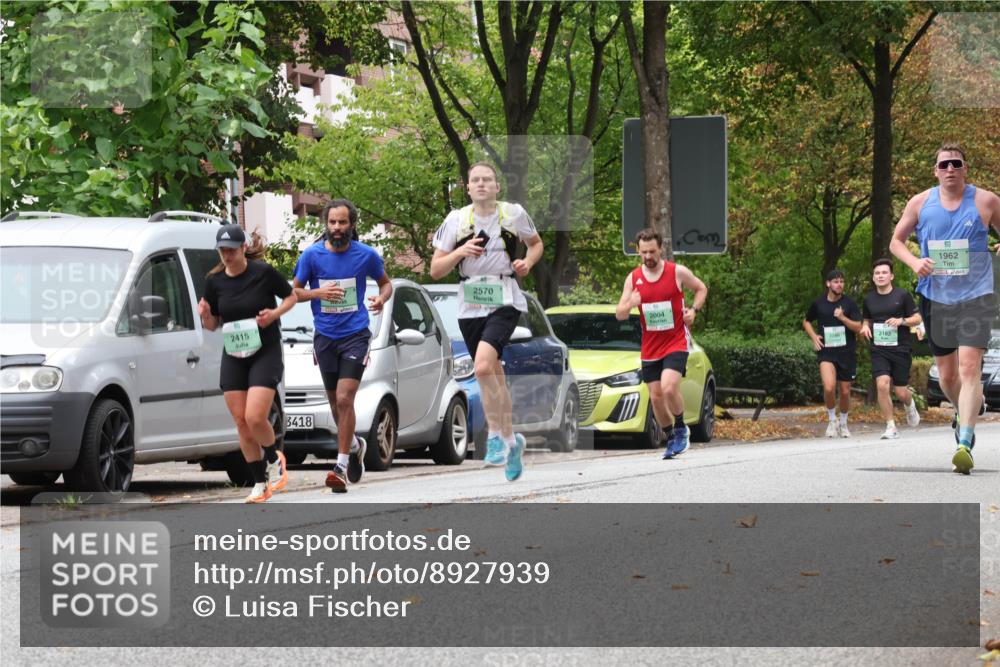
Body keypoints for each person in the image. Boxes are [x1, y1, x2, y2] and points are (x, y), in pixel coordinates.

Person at [890, 142, 1000, 474]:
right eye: (944, 165)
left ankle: (964, 441)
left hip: (975, 296)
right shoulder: (920, 203)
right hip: (935, 297)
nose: (950, 169)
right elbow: (896, 241)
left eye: (956, 163)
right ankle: (967, 408)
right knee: (949, 376)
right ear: (936, 171)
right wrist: (914, 261)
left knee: (969, 369)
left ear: (965, 168)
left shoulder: (986, 201)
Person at [430, 162, 543, 482]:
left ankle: (495, 435)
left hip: (505, 298)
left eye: (487, 180)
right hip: (470, 303)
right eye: (475, 180)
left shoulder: (513, 213)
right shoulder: (456, 219)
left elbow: (536, 244)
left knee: (481, 367)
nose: (481, 184)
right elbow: (435, 270)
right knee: (494, 372)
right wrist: (460, 251)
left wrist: (527, 262)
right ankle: (512, 442)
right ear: (467, 188)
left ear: (497, 186)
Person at [293, 199, 392, 493]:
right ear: (326, 224)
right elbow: (294, 293)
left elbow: (386, 284)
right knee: (336, 403)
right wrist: (318, 292)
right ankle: (355, 444)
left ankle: (340, 465)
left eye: (343, 223)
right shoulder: (311, 256)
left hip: (356, 335)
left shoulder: (366, 255)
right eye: (332, 223)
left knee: (346, 399)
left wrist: (381, 298)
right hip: (325, 337)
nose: (337, 228)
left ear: (352, 225)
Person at [198, 224, 298, 503]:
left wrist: (274, 314)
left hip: (264, 351)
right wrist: (205, 315)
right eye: (222, 251)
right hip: (234, 353)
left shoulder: (262, 273)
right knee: (241, 422)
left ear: (243, 248)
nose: (227, 256)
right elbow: (213, 324)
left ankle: (273, 458)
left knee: (255, 416)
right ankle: (258, 483)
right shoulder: (214, 281)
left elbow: (291, 296)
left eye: (231, 250)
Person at [615, 228, 708, 459]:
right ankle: (671, 436)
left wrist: (694, 311)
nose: (648, 256)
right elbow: (620, 314)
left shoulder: (677, 272)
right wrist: (630, 303)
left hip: (676, 339)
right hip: (650, 345)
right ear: (638, 251)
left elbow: (701, 288)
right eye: (644, 252)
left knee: (668, 387)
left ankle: (680, 427)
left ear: (661, 249)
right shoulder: (633, 278)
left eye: (652, 251)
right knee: (655, 395)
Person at [859, 258, 922, 439]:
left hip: (900, 348)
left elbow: (917, 318)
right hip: (879, 348)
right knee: (882, 384)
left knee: (900, 391)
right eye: (877, 273)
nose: (880, 276)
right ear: (873, 277)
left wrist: (901, 321)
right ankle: (890, 426)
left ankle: (910, 406)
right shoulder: (869, 299)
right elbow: (867, 320)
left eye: (884, 272)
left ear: (891, 276)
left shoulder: (902, 296)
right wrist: (864, 327)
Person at [803, 269, 863, 438]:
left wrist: (843, 318)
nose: (839, 284)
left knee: (844, 391)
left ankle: (843, 423)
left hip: (846, 352)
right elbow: (806, 321)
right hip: (827, 352)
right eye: (836, 281)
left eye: (842, 281)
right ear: (828, 284)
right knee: (829, 387)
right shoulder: (819, 303)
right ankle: (831, 420)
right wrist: (814, 336)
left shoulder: (850, 304)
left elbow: (858, 327)